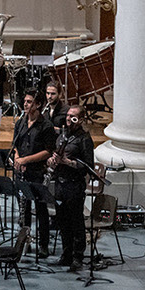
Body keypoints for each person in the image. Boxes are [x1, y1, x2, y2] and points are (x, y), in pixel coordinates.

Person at [12, 89, 57, 256]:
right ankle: (25, 242)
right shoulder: (21, 122)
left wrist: (26, 160)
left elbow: (47, 151)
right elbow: (15, 144)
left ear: (38, 105)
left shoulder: (46, 126)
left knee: (41, 210)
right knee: (24, 210)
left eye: (29, 102)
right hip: (22, 171)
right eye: (25, 101)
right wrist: (17, 159)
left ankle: (43, 245)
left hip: (37, 172)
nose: (25, 104)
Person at [52, 104, 95, 269]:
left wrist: (68, 162)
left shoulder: (84, 139)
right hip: (60, 184)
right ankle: (66, 253)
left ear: (81, 119)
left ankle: (78, 256)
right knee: (62, 221)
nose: (69, 119)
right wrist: (52, 161)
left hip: (74, 185)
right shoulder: (62, 137)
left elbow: (87, 167)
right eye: (68, 116)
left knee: (76, 222)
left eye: (73, 116)